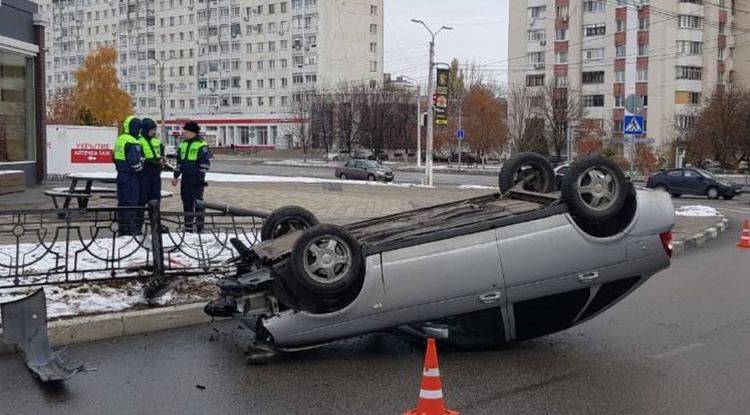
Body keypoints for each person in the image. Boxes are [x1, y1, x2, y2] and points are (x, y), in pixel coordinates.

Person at [172, 121, 210, 233]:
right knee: (186, 203)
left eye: (186, 132)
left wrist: (201, 177)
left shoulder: (201, 145)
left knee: (198, 203)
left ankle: (200, 227)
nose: (184, 134)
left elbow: (204, 163)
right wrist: (175, 176)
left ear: (193, 132)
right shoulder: (183, 144)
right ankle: (188, 227)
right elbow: (179, 163)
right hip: (185, 179)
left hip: (196, 178)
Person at [114, 116, 144, 236]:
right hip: (131, 177)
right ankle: (131, 230)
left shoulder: (120, 139)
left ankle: (122, 229)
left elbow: (114, 157)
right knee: (132, 203)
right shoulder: (133, 141)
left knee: (122, 203)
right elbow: (134, 162)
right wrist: (141, 166)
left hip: (121, 175)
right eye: (139, 128)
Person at [138, 118, 165, 206]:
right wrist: (152, 162)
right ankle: (139, 219)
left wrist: (162, 160)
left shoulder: (157, 142)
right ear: (146, 130)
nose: (154, 132)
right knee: (141, 201)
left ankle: (155, 219)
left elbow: (162, 154)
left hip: (156, 175)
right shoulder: (139, 141)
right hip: (143, 175)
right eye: (152, 130)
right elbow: (139, 158)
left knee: (155, 201)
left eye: (155, 129)